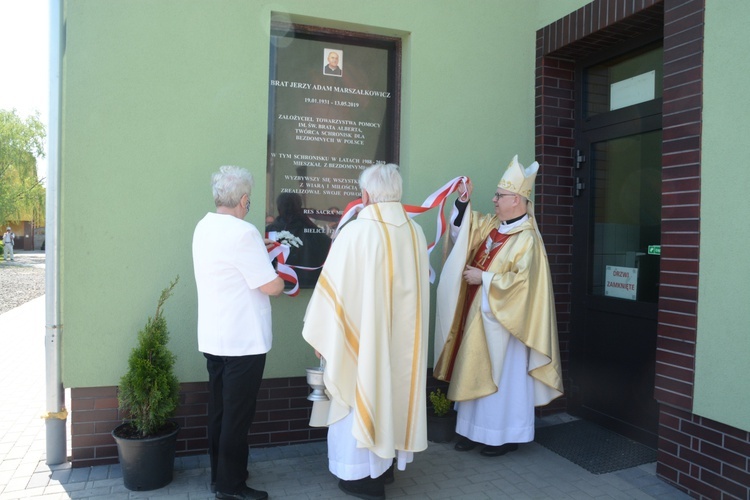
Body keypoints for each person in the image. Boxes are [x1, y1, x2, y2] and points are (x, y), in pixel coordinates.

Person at [302, 163, 430, 500]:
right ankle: (384, 468)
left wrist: (325, 335)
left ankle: (360, 476)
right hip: (401, 344)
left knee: (359, 397)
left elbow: (334, 293)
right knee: (393, 393)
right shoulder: (414, 232)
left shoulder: (357, 232)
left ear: (367, 194)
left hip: (362, 345)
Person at [433, 155, 564, 458]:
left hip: (508, 326)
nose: (493, 200)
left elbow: (525, 285)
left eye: (499, 196)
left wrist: (485, 278)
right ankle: (471, 431)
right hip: (477, 316)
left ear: (517, 201)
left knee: (503, 383)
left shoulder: (528, 239)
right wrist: (464, 202)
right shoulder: (495, 226)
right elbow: (463, 232)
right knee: (472, 369)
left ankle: (504, 436)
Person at [192, 165, 285, 500]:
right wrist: (282, 277)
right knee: (237, 416)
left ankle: (221, 476)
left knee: (219, 411)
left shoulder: (204, 227)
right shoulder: (242, 235)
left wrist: (256, 249)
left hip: (215, 338)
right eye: (249, 200)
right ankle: (232, 487)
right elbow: (271, 286)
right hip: (243, 342)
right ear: (244, 199)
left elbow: (230, 261)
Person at [265, 192, 332, 288]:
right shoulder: (310, 228)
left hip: (292, 283)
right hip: (301, 281)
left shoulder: (271, 229)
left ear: (279, 208)